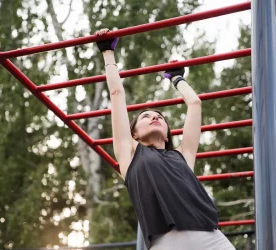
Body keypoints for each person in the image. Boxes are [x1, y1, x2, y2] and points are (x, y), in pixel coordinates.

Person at [94, 28, 235, 250]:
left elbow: (195, 104)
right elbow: (116, 94)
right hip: (166, 243)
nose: (155, 118)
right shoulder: (129, 154)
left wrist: (177, 78)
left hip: (210, 237)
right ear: (134, 134)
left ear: (169, 130)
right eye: (146, 117)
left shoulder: (183, 155)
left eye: (159, 116)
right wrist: (107, 51)